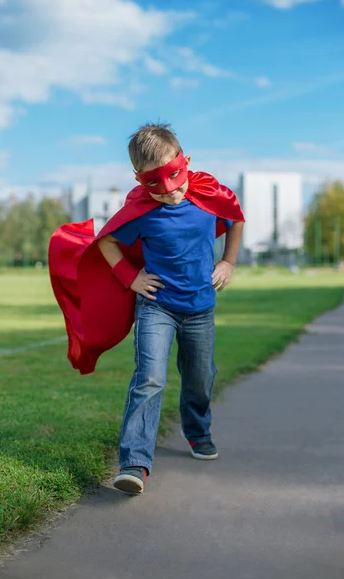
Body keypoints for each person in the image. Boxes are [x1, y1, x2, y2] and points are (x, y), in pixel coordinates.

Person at [95, 123, 245, 495]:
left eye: (176, 182)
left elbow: (235, 217)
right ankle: (134, 462)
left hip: (200, 309)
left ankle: (197, 432)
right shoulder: (142, 209)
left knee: (199, 377)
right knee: (149, 378)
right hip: (156, 307)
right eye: (156, 187)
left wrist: (228, 262)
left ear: (186, 163)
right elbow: (107, 241)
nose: (171, 194)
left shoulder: (207, 195)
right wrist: (130, 278)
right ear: (140, 180)